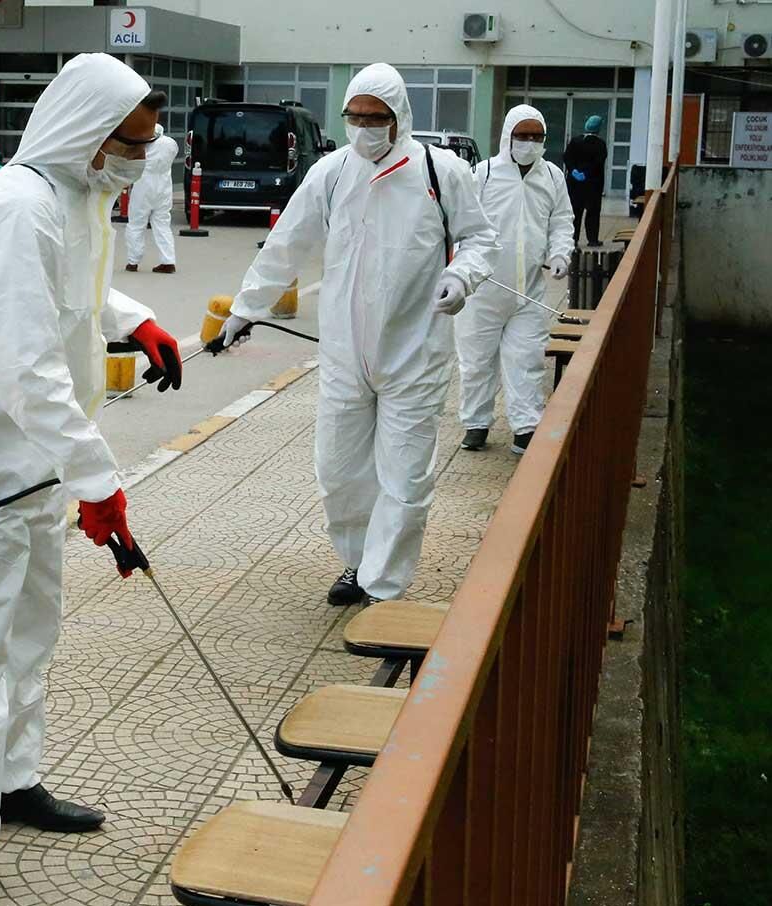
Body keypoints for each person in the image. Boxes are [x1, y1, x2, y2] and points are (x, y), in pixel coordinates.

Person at [0, 54, 181, 906]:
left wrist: (136, 320)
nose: (138, 158)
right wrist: (97, 478)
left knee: (30, 635)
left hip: (37, 468)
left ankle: (12, 782)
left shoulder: (76, 196)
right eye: (129, 143)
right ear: (87, 132)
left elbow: (75, 294)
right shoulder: (15, 205)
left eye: (146, 144)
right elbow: (24, 359)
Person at [218, 64, 498, 608]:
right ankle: (358, 560)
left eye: (377, 117)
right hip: (345, 353)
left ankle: (383, 587)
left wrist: (461, 276)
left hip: (414, 352)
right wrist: (245, 309)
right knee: (339, 470)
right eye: (356, 117)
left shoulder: (439, 171)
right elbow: (286, 244)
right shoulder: (331, 173)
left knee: (405, 477)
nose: (365, 127)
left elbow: (480, 238)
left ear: (400, 117)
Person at [456, 104, 574, 457]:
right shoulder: (484, 174)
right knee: (477, 361)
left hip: (529, 292)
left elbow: (562, 220)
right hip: (484, 289)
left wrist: (560, 254)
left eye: (537, 137)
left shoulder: (551, 176)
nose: (529, 143)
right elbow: (463, 223)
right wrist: (463, 268)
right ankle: (476, 423)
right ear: (508, 136)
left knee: (527, 360)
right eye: (523, 136)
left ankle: (526, 428)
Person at [124, 123, 179, 274]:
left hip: (143, 183)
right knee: (162, 224)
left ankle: (133, 261)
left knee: (136, 223)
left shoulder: (142, 145)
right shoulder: (171, 143)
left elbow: (130, 159)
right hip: (164, 185)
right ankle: (168, 261)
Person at [564, 114, 608, 247]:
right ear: (599, 128)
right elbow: (598, 163)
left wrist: (574, 171)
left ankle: (573, 239)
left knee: (575, 212)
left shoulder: (575, 141)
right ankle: (592, 239)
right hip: (593, 184)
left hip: (575, 184)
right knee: (593, 212)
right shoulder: (600, 144)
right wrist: (587, 173)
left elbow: (567, 158)